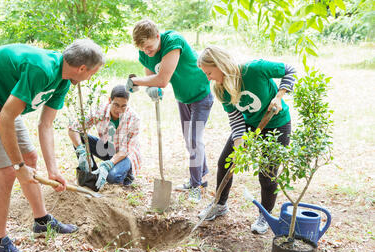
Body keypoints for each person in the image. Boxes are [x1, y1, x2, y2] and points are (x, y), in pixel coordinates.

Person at [0, 39, 105, 252]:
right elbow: (6, 118)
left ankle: (41, 221)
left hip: (3, 99)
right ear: (82, 68)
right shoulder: (41, 69)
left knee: (29, 157)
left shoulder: (63, 80)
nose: (91, 77)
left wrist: (53, 170)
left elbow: (45, 125)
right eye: (93, 73)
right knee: (7, 171)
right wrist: (18, 167)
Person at [197, 45, 296, 234]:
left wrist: (278, 96)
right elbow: (235, 117)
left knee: (267, 174)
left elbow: (289, 70)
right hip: (250, 125)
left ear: (220, 65)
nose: (208, 78)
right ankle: (219, 204)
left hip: (277, 124)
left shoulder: (255, 69)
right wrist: (238, 141)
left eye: (209, 72)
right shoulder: (221, 89)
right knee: (225, 162)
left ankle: (265, 215)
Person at [126, 19, 213, 203]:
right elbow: (152, 78)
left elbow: (162, 80)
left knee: (194, 141)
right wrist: (152, 90)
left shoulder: (173, 41)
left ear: (157, 36)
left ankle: (196, 185)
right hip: (183, 98)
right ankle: (201, 177)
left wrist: (137, 81)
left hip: (200, 95)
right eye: (143, 49)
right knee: (190, 141)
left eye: (149, 47)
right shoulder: (145, 53)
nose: (146, 52)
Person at [68, 85, 141, 190]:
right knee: (80, 137)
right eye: (116, 105)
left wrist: (108, 165)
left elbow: (125, 150)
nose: (119, 110)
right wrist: (80, 149)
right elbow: (73, 128)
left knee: (111, 177)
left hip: (125, 155)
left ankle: (126, 174)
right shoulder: (99, 110)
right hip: (108, 148)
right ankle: (93, 174)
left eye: (123, 106)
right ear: (109, 100)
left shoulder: (133, 119)